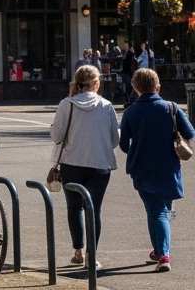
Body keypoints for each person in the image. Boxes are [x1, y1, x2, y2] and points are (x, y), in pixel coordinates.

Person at [119, 67, 195, 272]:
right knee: (161, 210)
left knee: (155, 210)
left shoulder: (131, 112)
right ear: (158, 87)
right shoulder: (171, 108)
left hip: (142, 168)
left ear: (135, 87)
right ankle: (159, 250)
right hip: (168, 167)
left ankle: (163, 255)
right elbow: (190, 132)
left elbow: (124, 145)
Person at [50, 64, 118, 269]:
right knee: (94, 210)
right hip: (99, 165)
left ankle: (78, 251)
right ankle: (91, 255)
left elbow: (57, 136)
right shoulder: (106, 106)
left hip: (71, 163)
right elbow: (115, 139)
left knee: (74, 207)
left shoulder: (66, 104)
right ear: (96, 83)